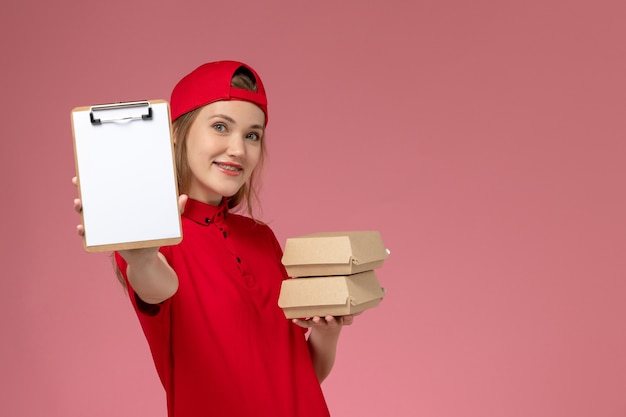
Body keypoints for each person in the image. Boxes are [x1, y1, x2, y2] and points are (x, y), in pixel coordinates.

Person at [72, 60, 354, 417]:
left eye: (252, 135)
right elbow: (157, 285)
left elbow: (300, 379)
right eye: (221, 127)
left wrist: (327, 333)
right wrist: (141, 257)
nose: (238, 149)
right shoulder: (152, 239)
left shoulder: (263, 239)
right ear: (176, 132)